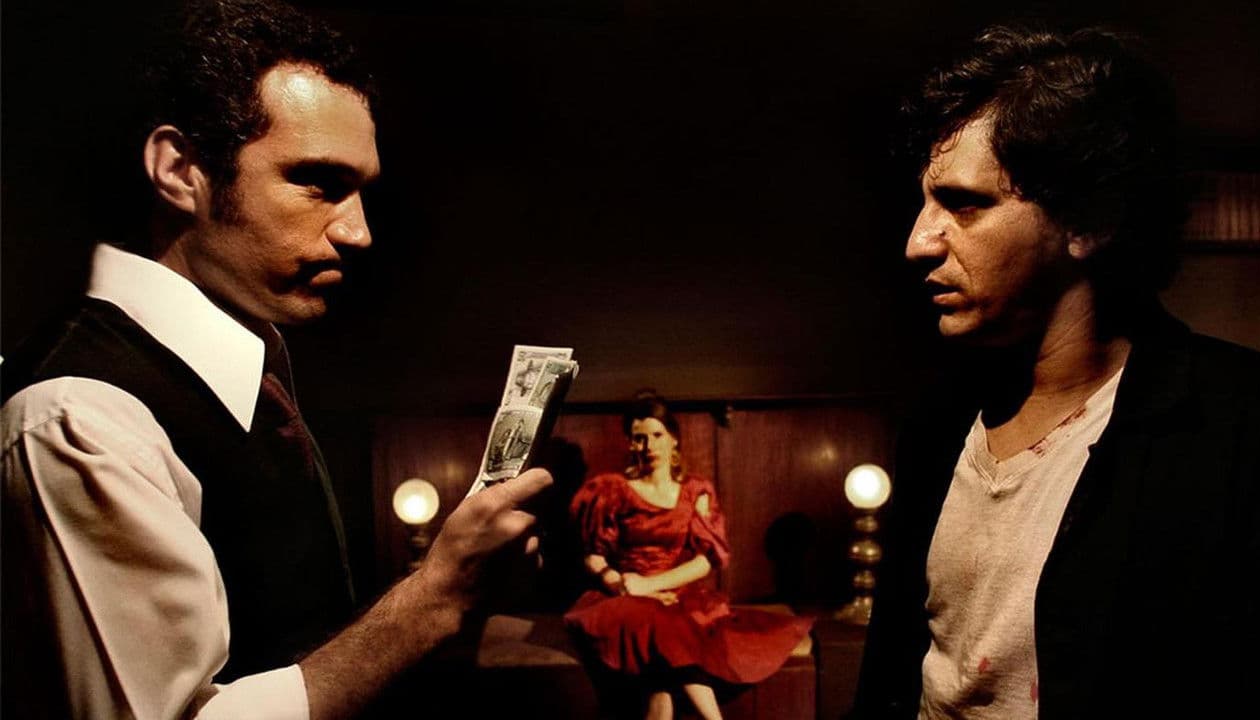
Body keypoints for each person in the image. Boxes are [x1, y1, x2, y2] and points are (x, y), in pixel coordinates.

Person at [0, 1, 551, 718]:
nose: (359, 232)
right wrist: (433, 602)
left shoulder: (254, 361)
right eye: (318, 182)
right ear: (180, 170)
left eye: (361, 191)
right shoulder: (80, 416)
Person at [853, 24, 1260, 720]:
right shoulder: (936, 425)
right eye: (925, 204)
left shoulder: (1246, 429)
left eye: (964, 203)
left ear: (1089, 220)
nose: (917, 243)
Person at [564, 391, 814, 720]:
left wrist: (651, 586)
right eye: (640, 438)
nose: (649, 446)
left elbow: (706, 560)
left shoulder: (695, 490)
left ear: (674, 439)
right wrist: (618, 582)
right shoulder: (611, 490)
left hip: (674, 593)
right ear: (630, 443)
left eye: (657, 435)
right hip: (622, 596)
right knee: (656, 623)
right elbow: (593, 556)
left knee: (666, 660)